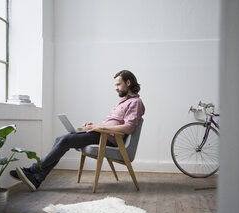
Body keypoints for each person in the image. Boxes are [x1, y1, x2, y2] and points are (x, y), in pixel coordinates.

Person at [10, 70, 145, 191]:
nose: (116, 88)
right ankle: (37, 178)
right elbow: (113, 122)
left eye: (118, 84)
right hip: (101, 133)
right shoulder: (122, 102)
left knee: (65, 140)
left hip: (108, 138)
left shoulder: (135, 102)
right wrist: (94, 125)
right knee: (61, 139)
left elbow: (128, 128)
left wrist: (101, 127)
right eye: (115, 85)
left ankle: (33, 170)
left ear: (128, 82)